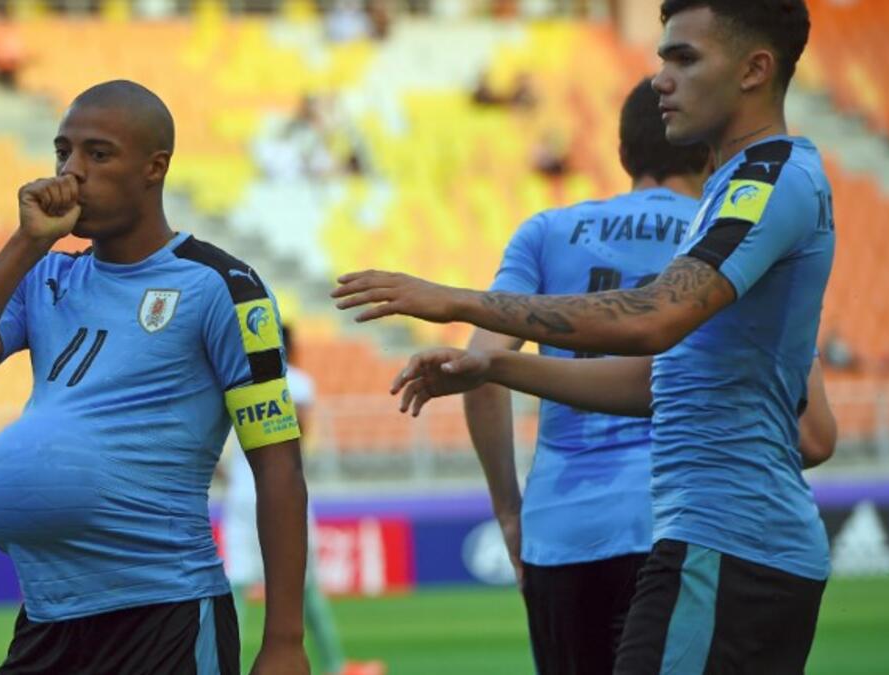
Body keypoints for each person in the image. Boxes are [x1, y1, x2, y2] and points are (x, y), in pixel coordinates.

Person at [333, 1, 835, 672]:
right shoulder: (728, 192)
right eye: (662, 57)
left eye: (683, 58)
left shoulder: (768, 181)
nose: (660, 77)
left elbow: (653, 315)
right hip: (706, 540)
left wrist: (458, 300)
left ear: (755, 70)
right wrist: (494, 370)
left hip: (731, 539)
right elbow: (657, 380)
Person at [0, 80, 309, 675]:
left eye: (98, 154)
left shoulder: (223, 287)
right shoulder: (46, 276)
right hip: (49, 620)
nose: (71, 173)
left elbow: (277, 465)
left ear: (155, 167)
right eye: (62, 152)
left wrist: (282, 642)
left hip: (163, 614)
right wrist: (25, 243)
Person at [464, 77, 709, 675]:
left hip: (561, 529)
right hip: (684, 518)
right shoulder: (723, 230)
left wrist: (510, 511)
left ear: (623, 152)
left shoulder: (545, 231)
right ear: (707, 145)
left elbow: (481, 369)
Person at [222, 325, 385, 675]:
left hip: (240, 493)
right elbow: (300, 436)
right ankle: (336, 665)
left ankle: (221, 664)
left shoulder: (235, 378)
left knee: (236, 583)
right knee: (302, 584)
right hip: (282, 493)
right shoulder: (296, 381)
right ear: (290, 346)